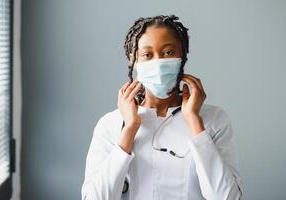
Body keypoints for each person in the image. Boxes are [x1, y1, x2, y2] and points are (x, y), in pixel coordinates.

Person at [81, 14, 244, 200]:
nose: (158, 63)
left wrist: (194, 122)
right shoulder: (110, 124)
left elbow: (229, 198)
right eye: (147, 55)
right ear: (133, 60)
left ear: (182, 54)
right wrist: (130, 128)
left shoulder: (213, 119)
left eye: (168, 52)